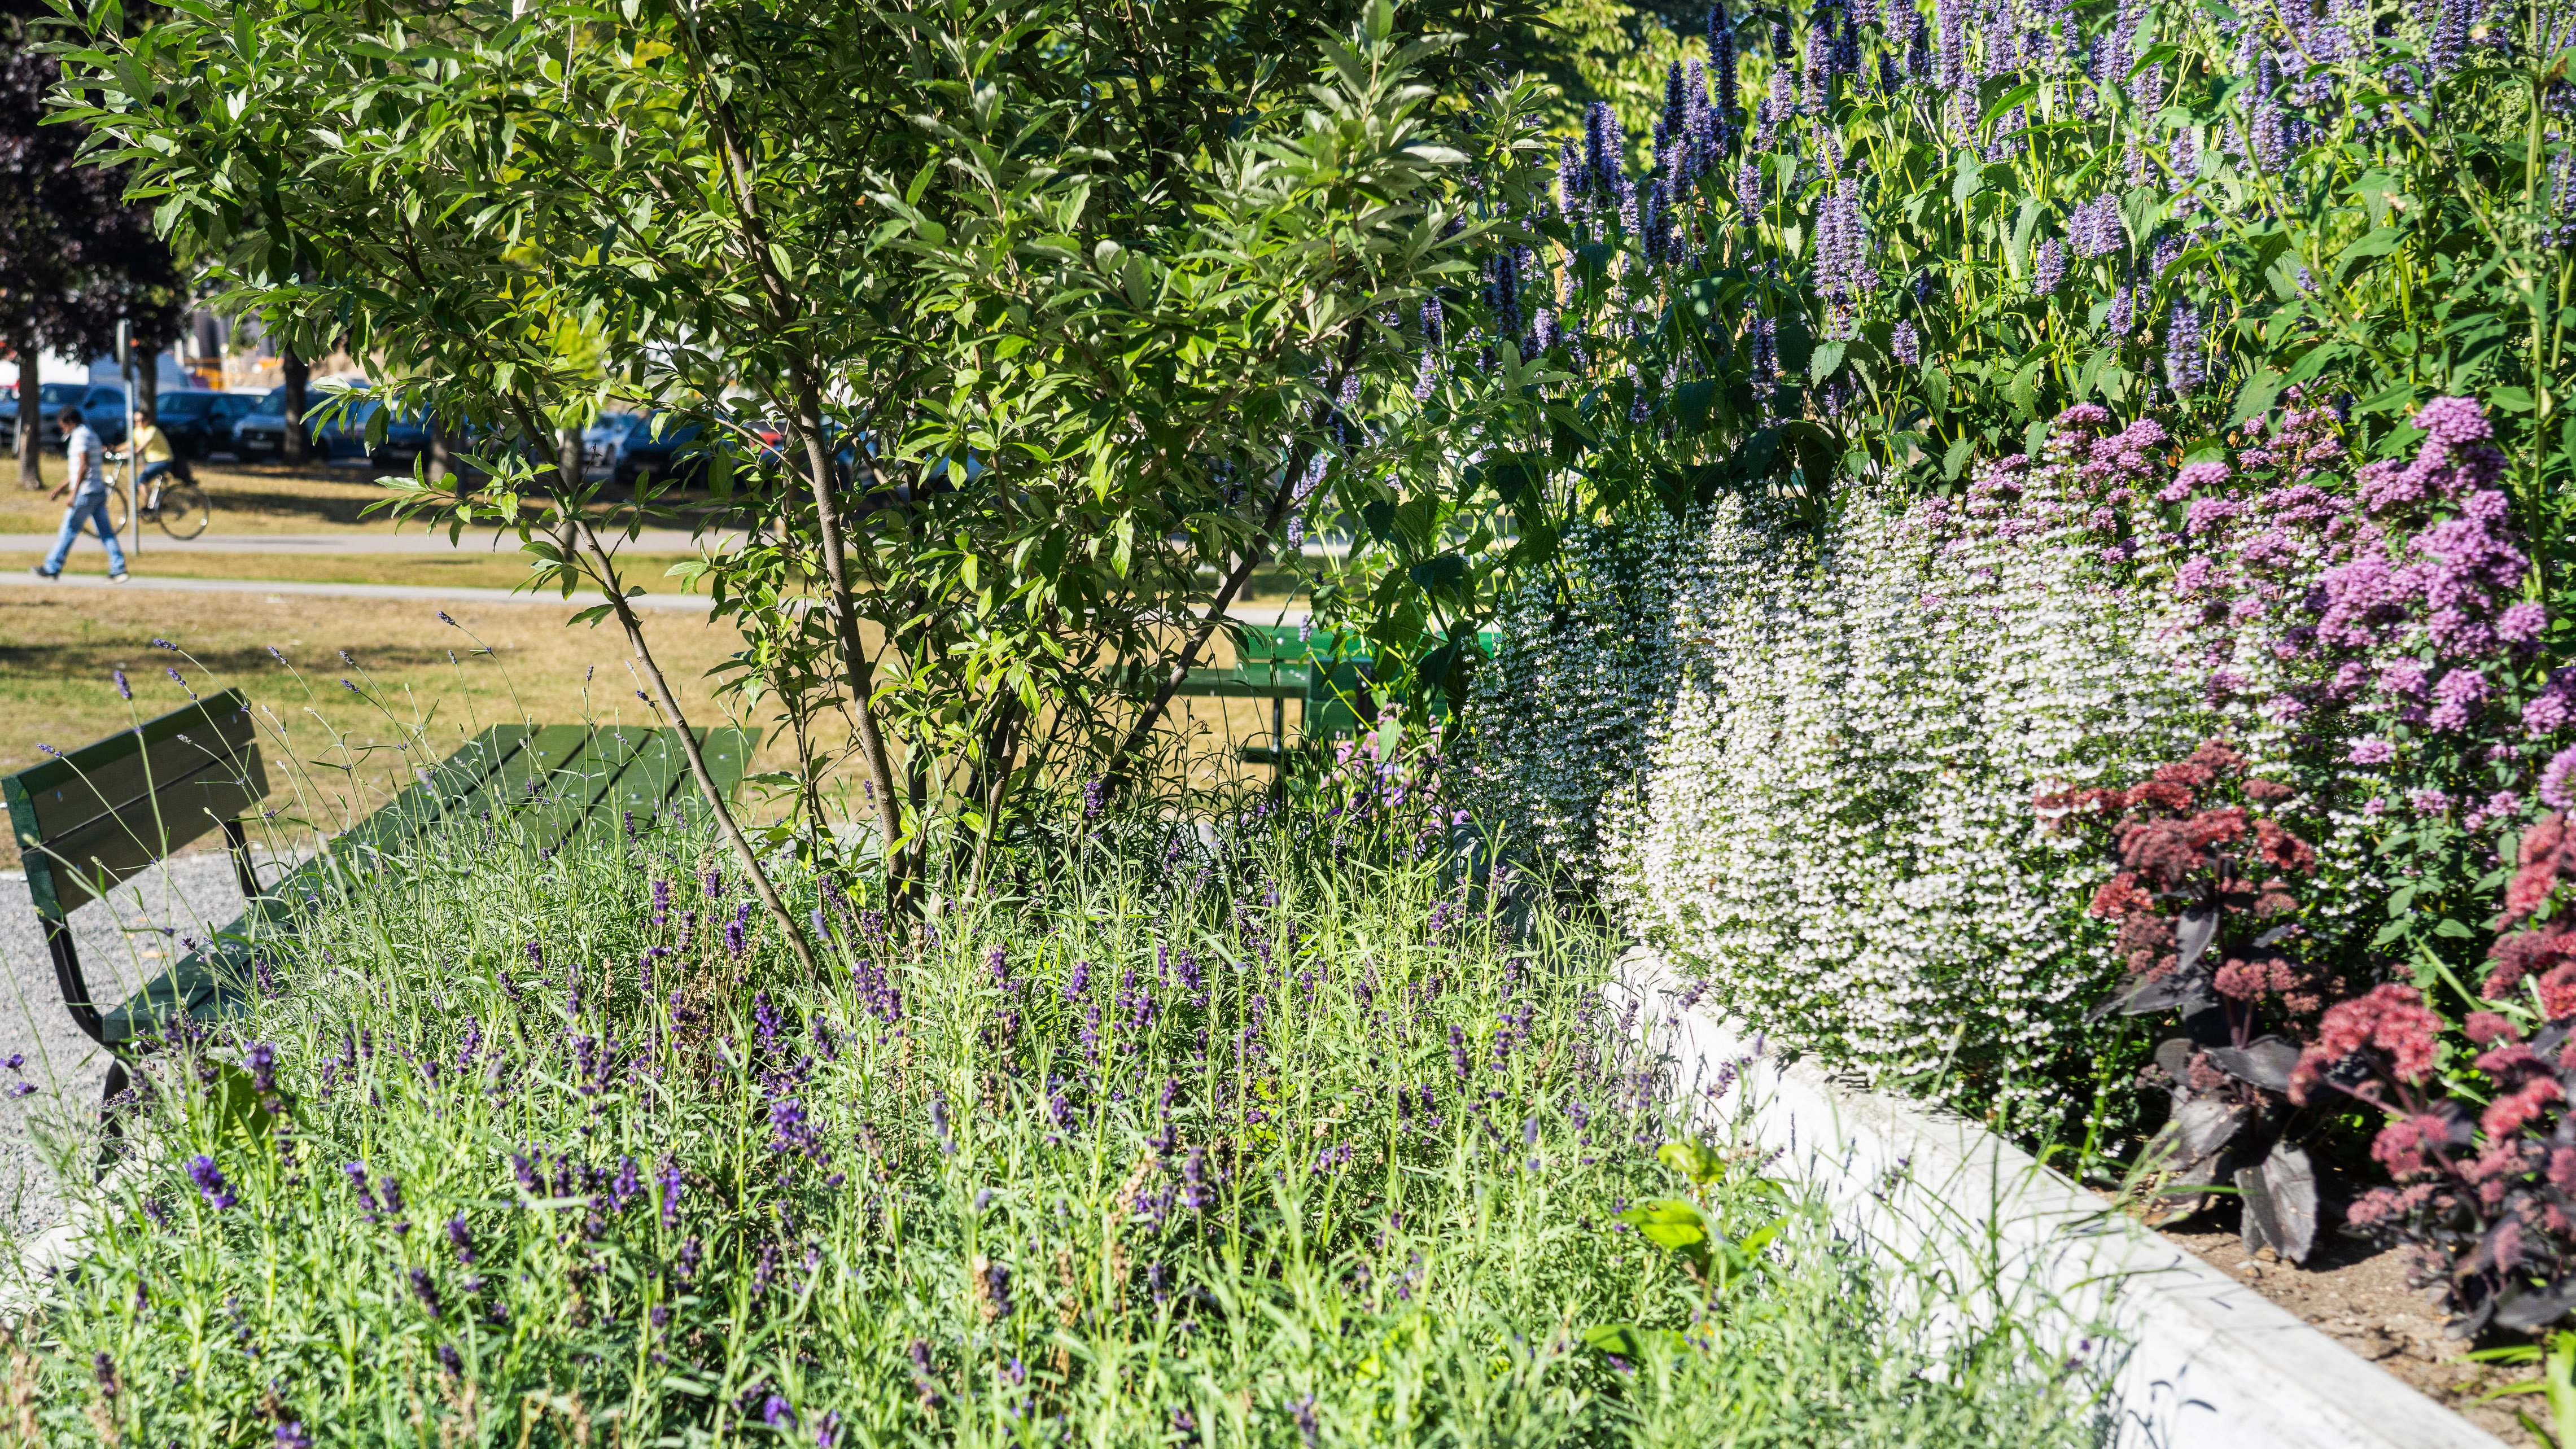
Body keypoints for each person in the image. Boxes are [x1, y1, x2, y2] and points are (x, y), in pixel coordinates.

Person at [34, 406, 126, 581]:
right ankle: (119, 568)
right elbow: (79, 470)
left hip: (86, 492)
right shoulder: (91, 434)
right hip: (97, 489)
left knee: (68, 529)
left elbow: (83, 467)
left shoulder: (80, 437)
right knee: (105, 532)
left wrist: (73, 493)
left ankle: (52, 566)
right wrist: (61, 488)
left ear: (70, 423)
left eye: (63, 425)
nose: (63, 429)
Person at [111, 408, 192, 517]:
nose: (139, 423)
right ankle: (154, 504)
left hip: (163, 460)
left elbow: (141, 447)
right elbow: (129, 443)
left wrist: (129, 454)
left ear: (148, 420)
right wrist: (114, 449)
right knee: (137, 484)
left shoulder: (152, 431)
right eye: (136, 421)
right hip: (153, 462)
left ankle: (150, 507)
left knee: (141, 479)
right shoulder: (137, 431)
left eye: (142, 420)